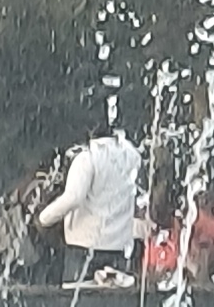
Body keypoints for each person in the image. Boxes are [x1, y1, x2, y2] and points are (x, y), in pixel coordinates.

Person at [35, 117, 143, 284]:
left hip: (83, 248)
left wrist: (43, 218)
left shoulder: (87, 159)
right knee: (116, 297)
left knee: (78, 296)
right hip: (119, 248)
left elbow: (73, 198)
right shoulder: (132, 156)